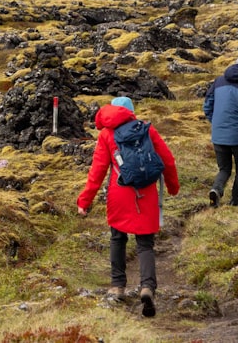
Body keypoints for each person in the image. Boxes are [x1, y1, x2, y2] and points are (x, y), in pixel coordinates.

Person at [77, 97, 179, 318]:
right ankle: (147, 287)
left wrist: (85, 201)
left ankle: (117, 286)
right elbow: (168, 160)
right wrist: (173, 186)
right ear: (131, 112)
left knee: (117, 237)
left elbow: (98, 171)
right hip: (146, 193)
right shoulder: (146, 130)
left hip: (119, 193)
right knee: (145, 244)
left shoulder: (106, 135)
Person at [203, 53, 238, 207]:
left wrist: (215, 122)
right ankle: (236, 201)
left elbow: (207, 105)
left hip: (218, 135)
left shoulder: (218, 81)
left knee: (224, 169)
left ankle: (216, 189)